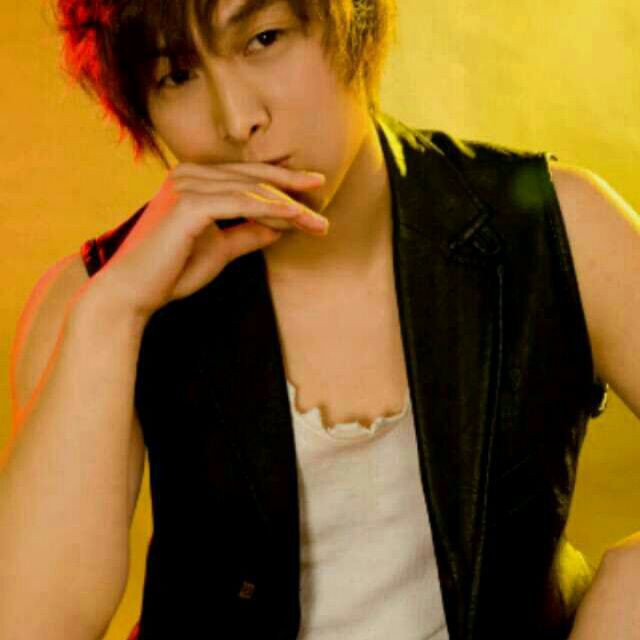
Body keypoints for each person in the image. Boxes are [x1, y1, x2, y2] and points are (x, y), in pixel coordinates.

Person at [0, 0, 638, 638]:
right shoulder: (94, 298)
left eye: (264, 39)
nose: (238, 119)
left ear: (354, 20)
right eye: (177, 76)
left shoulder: (553, 227)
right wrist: (114, 312)